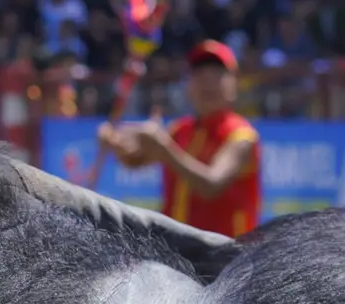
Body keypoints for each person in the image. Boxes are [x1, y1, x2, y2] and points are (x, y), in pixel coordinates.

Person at [99, 39, 262, 236]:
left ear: (234, 83)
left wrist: (163, 146)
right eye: (200, 76)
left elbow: (211, 185)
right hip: (179, 254)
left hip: (228, 258)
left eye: (217, 75)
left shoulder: (241, 136)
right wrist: (115, 143)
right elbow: (136, 159)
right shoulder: (180, 129)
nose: (207, 83)